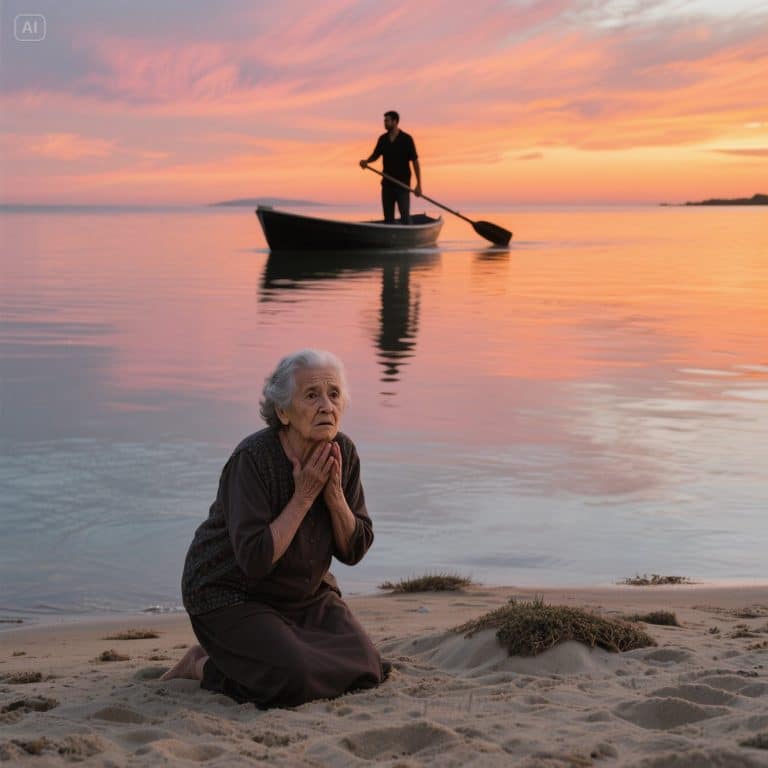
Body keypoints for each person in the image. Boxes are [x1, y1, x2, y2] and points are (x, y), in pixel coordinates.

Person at [162, 350, 386, 708]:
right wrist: (304, 495)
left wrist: (334, 496)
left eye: (334, 394)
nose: (326, 406)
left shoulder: (343, 451)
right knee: (293, 680)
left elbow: (354, 550)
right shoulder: (252, 459)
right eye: (311, 395)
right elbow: (254, 560)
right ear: (283, 412)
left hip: (303, 593)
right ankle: (201, 665)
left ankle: (261, 651)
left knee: (368, 669)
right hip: (232, 593)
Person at [360, 110, 422, 224]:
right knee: (388, 218)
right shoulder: (383, 139)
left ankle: (409, 232)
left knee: (404, 215)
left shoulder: (406, 139)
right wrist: (366, 161)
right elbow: (375, 155)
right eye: (384, 121)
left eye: (387, 121)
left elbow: (415, 162)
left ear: (395, 121)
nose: (385, 123)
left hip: (402, 184)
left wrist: (419, 185)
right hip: (387, 183)